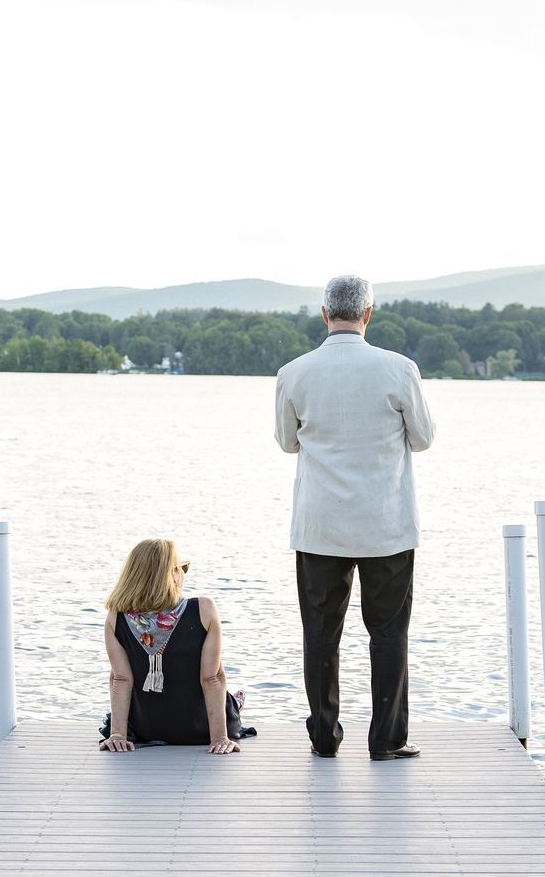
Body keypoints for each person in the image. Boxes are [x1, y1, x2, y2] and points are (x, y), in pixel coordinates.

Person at [274, 274, 436, 760]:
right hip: (385, 525)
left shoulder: (294, 372)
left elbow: (286, 442)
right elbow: (423, 438)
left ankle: (324, 736)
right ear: (369, 314)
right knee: (388, 635)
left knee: (320, 636)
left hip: (319, 525)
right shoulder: (399, 369)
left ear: (325, 314)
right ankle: (386, 740)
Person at [98, 538, 254, 754]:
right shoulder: (203, 609)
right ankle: (235, 704)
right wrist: (219, 738)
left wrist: (117, 735)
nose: (184, 574)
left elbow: (121, 679)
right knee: (227, 695)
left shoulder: (116, 617)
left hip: (144, 729)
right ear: (171, 574)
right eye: (182, 568)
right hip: (201, 729)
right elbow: (212, 678)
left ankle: (233, 703)